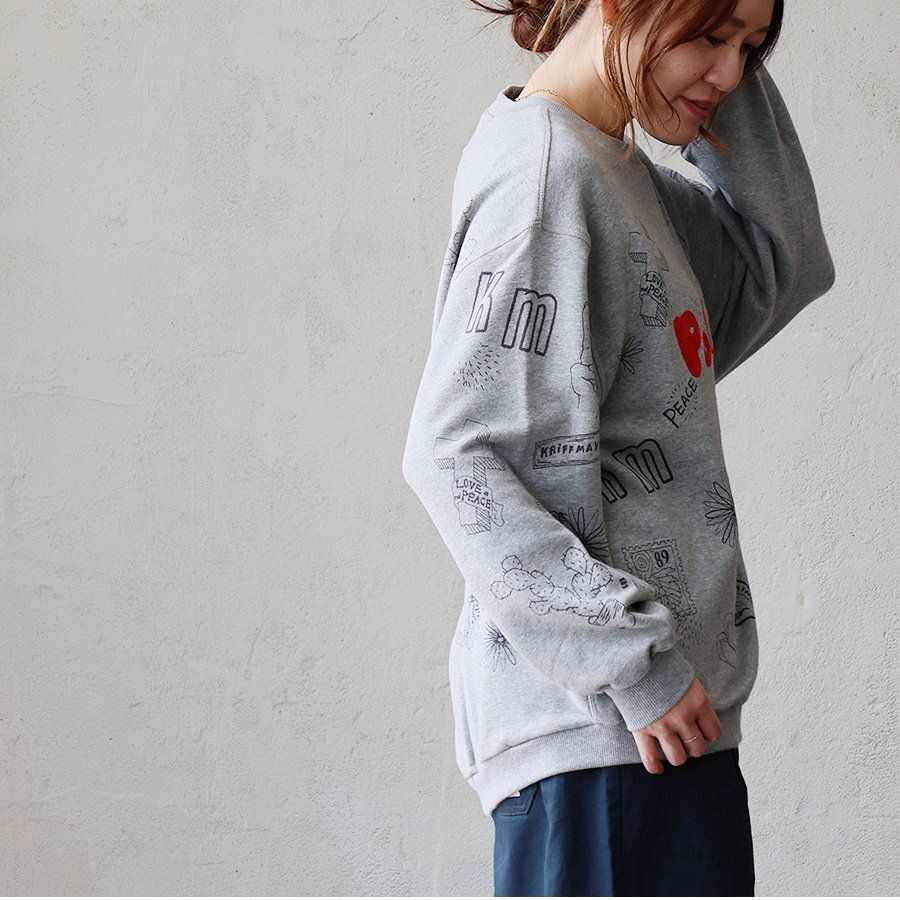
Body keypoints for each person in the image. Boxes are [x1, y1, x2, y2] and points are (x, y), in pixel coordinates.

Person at [401, 0, 835, 894]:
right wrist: (629, 665)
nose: (731, 75)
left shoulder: (613, 169)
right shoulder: (547, 180)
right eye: (710, 36)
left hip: (654, 730)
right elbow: (456, 455)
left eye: (752, 47)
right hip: (610, 739)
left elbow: (781, 256)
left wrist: (711, 51)